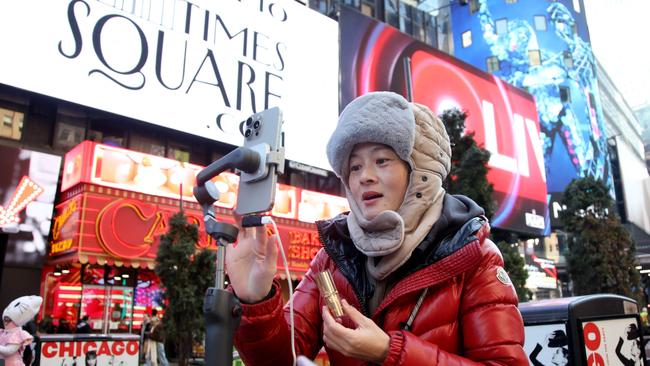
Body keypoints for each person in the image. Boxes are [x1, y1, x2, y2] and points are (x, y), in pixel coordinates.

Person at [227, 91, 528, 365]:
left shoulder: (473, 256)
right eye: (354, 167)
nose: (364, 177)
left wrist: (390, 352)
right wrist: (255, 299)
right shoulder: (333, 257)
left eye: (381, 161)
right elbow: (280, 358)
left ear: (420, 173)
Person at [0, 296, 42, 366]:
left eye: (8, 320)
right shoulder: (3, 332)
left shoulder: (18, 334)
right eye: (5, 320)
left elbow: (9, 351)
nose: (5, 322)